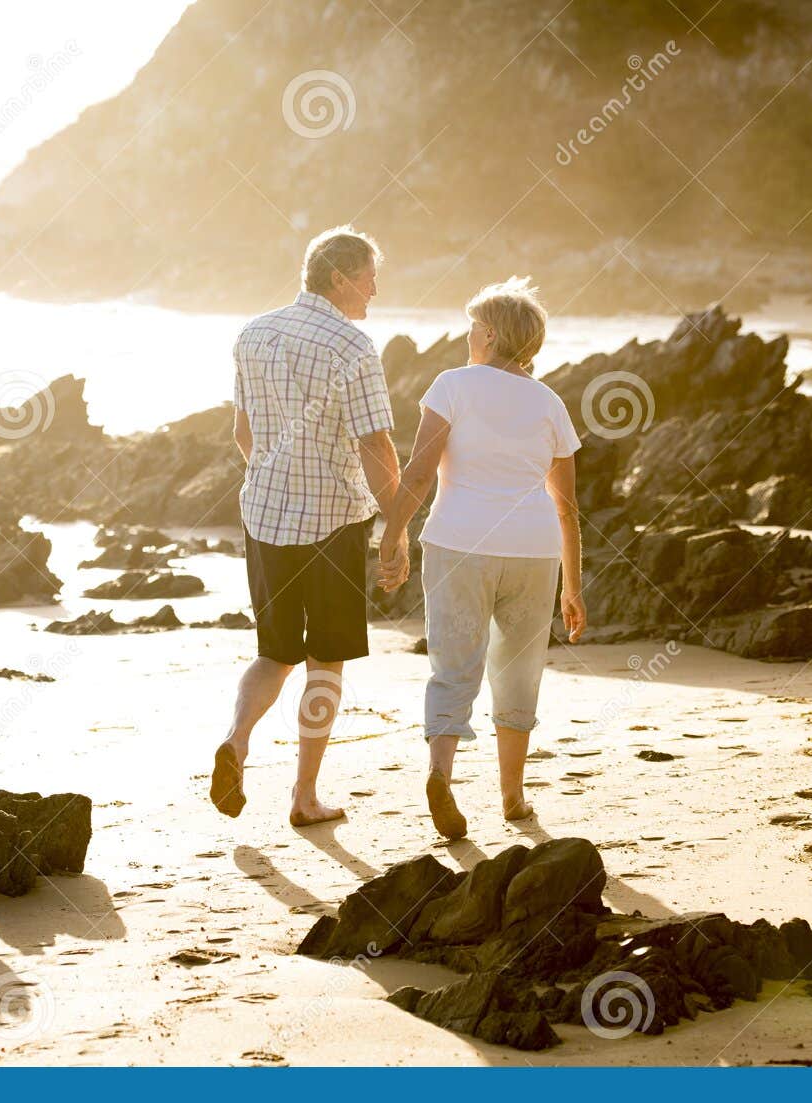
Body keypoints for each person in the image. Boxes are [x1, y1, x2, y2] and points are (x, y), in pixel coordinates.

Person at [213, 225, 406, 828]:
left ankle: (238, 739)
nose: (375, 289)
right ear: (340, 277)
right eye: (370, 277)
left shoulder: (253, 332)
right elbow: (376, 443)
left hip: (265, 516)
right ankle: (304, 796)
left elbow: (243, 433)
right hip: (332, 524)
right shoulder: (353, 346)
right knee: (327, 661)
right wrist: (396, 532)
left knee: (274, 653)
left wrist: (273, 475)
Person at [380, 276, 585, 840]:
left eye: (473, 325)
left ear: (490, 334)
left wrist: (392, 533)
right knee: (518, 672)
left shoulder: (451, 386)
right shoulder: (550, 402)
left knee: (454, 665)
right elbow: (566, 507)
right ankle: (513, 797)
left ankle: (441, 773)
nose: (467, 334)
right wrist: (574, 587)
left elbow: (420, 472)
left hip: (457, 544)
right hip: (533, 550)